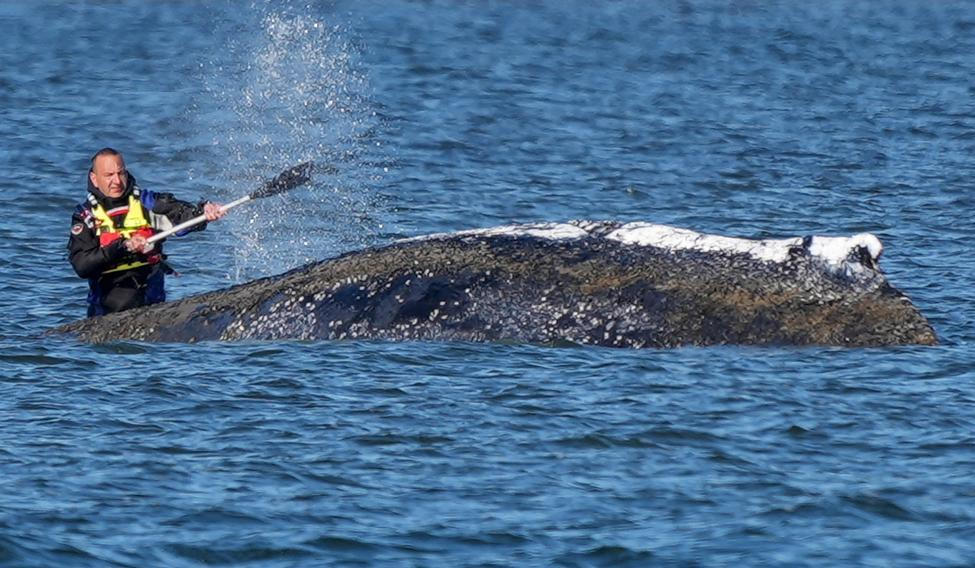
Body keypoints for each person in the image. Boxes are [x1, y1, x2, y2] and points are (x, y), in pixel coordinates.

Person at [68, 148, 225, 317]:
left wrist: (204, 212)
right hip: (107, 309)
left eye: (121, 173)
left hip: (152, 302)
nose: (117, 181)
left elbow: (183, 216)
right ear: (94, 178)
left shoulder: (147, 202)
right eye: (109, 175)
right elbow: (82, 266)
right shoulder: (85, 216)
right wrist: (122, 246)